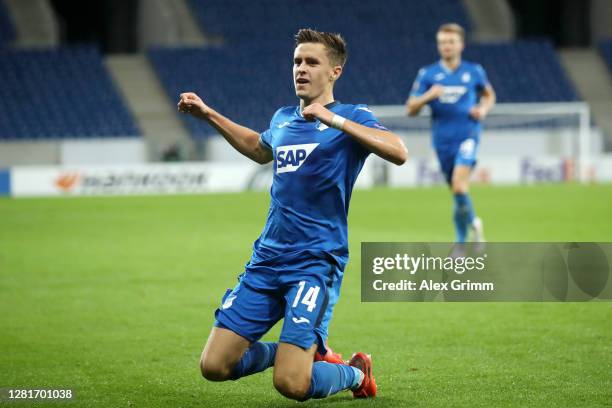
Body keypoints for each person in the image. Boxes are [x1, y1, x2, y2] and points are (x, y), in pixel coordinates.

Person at [178, 28, 407, 401]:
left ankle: (354, 372)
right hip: (267, 260)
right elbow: (258, 147)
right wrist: (207, 115)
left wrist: (333, 121)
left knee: (292, 385)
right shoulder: (284, 118)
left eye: (312, 62)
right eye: (297, 61)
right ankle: (298, 355)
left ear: (335, 72)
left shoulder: (352, 115)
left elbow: (399, 151)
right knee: (214, 367)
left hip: (315, 263)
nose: (301, 68)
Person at [406, 23, 496, 243]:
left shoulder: (474, 71)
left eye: (451, 42)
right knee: (458, 192)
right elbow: (410, 109)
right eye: (442, 42)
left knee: (458, 185)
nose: (446, 46)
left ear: (461, 45)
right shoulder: (428, 74)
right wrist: (428, 96)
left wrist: (483, 109)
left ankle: (466, 235)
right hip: (442, 141)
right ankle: (469, 232)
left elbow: (489, 95)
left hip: (468, 136)